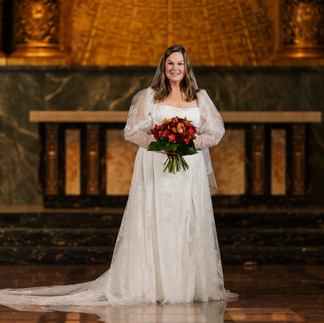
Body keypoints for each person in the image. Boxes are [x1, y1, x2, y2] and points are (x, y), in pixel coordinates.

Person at [0, 45, 235, 308]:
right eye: (170, 64)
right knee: (158, 219)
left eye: (180, 64)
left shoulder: (200, 97)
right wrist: (162, 143)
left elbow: (215, 133)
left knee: (185, 222)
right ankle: (154, 284)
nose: (175, 69)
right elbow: (132, 131)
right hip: (157, 165)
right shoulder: (151, 95)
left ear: (187, 68)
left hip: (188, 171)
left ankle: (187, 285)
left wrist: (188, 143)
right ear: (163, 67)